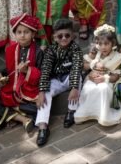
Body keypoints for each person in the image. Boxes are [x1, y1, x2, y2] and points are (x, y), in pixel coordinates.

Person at [0, 14, 44, 133]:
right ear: (15, 34)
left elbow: (43, 75)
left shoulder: (38, 52)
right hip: (12, 90)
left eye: (26, 32)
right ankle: (23, 119)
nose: (22, 35)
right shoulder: (11, 50)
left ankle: (13, 116)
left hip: (29, 92)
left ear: (33, 34)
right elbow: (9, 70)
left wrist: (27, 71)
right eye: (19, 32)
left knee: (39, 108)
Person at [35, 18, 84, 146]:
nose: (64, 38)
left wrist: (74, 87)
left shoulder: (76, 49)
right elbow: (45, 70)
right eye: (60, 36)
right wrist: (41, 91)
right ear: (54, 37)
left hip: (69, 78)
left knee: (78, 78)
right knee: (45, 93)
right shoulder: (51, 50)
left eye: (67, 35)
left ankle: (71, 111)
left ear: (72, 36)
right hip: (56, 79)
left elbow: (76, 68)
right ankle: (42, 127)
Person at [74, 25, 121, 126]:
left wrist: (104, 78)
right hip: (92, 78)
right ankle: (87, 113)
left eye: (106, 44)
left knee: (103, 89)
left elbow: (116, 77)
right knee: (88, 88)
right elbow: (84, 66)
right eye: (100, 44)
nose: (103, 47)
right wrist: (93, 65)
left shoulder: (116, 57)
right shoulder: (96, 53)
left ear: (113, 43)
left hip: (107, 81)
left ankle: (103, 115)